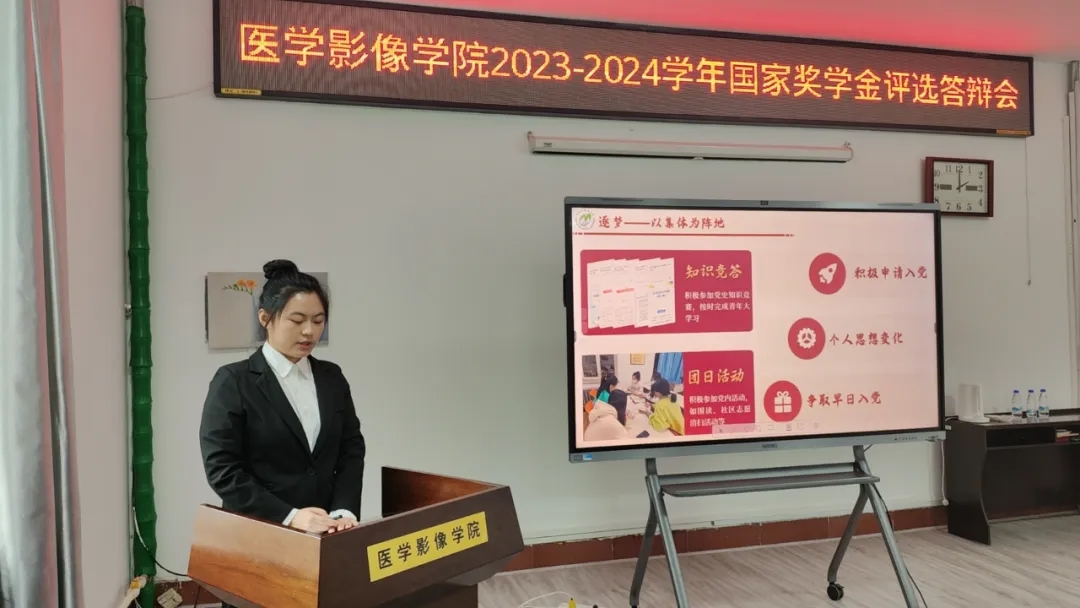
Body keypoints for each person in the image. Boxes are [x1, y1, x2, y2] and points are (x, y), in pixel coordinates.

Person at [200, 259, 366, 546]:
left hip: (326, 531)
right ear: (265, 318)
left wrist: (343, 510)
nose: (309, 332)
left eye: (318, 321)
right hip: (259, 534)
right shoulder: (234, 381)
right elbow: (223, 470)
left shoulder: (331, 377)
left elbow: (351, 449)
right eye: (297, 320)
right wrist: (290, 516)